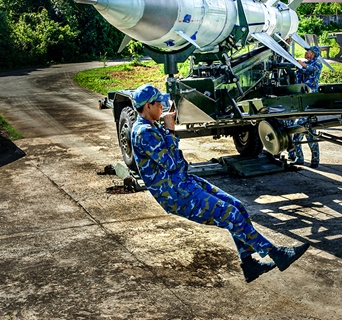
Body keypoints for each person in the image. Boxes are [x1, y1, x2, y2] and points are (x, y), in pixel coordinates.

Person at [130, 84, 309, 283]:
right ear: (148, 106)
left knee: (238, 208)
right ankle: (276, 253)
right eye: (159, 103)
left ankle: (249, 264)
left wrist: (167, 130)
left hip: (184, 183)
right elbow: (170, 163)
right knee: (230, 215)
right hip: (175, 194)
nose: (163, 107)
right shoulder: (142, 132)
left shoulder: (151, 126)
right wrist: (170, 130)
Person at [288, 45, 324, 167]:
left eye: (307, 51)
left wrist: (300, 64)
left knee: (302, 132)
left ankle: (306, 158)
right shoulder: (305, 63)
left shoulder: (317, 64)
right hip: (302, 101)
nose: (305, 53)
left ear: (313, 53)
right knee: (308, 132)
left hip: (310, 101)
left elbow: (308, 69)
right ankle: (304, 158)